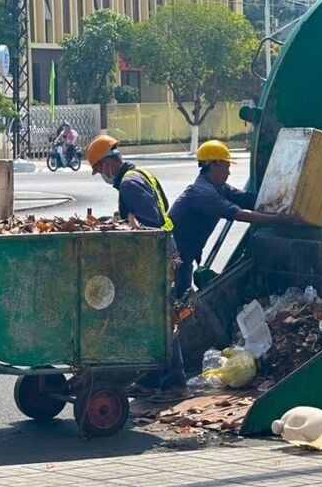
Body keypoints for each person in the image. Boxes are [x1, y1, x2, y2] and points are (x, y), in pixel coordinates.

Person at [85, 134, 187, 399]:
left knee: (161, 321)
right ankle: (153, 380)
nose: (101, 175)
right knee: (156, 320)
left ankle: (175, 383)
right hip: (164, 253)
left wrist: (128, 226)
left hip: (156, 257)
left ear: (108, 163)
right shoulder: (140, 175)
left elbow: (150, 226)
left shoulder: (129, 184)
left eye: (99, 169)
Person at [169, 140, 294, 298]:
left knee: (182, 292)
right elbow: (240, 215)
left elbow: (245, 199)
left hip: (186, 250)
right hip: (175, 253)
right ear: (214, 165)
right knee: (179, 293)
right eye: (226, 167)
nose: (229, 173)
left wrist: (281, 200)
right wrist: (278, 219)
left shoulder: (219, 187)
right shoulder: (203, 193)